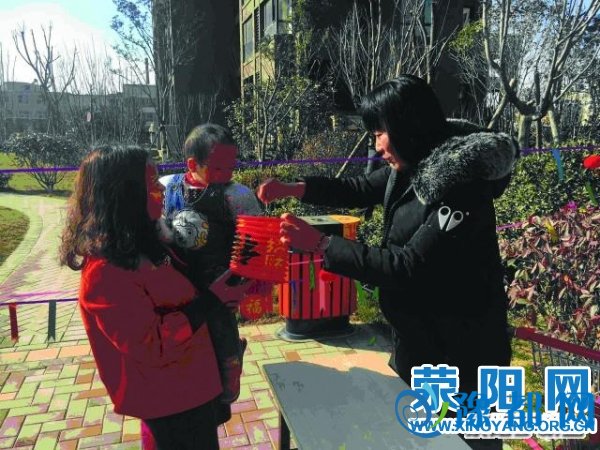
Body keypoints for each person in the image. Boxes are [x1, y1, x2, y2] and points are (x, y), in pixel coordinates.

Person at [257, 75, 518, 449]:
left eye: (380, 132)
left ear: (407, 127)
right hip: (419, 344)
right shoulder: (413, 164)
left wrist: (320, 243)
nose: (377, 145)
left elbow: (408, 266)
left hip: (464, 357)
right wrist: (295, 188)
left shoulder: (463, 187)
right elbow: (360, 188)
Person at [60, 146, 254, 450]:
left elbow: (182, 292)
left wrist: (221, 292)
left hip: (193, 387)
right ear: (125, 195)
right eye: (151, 182)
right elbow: (152, 344)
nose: (161, 189)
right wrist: (210, 301)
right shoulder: (105, 272)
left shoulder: (147, 241)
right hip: (170, 403)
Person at [159, 123, 263, 405]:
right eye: (218, 168)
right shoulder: (167, 188)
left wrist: (243, 288)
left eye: (232, 166)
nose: (227, 174)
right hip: (176, 291)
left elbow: (255, 247)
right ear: (192, 164)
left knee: (225, 357)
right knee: (182, 352)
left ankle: (230, 374)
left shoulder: (237, 196)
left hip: (220, 289)